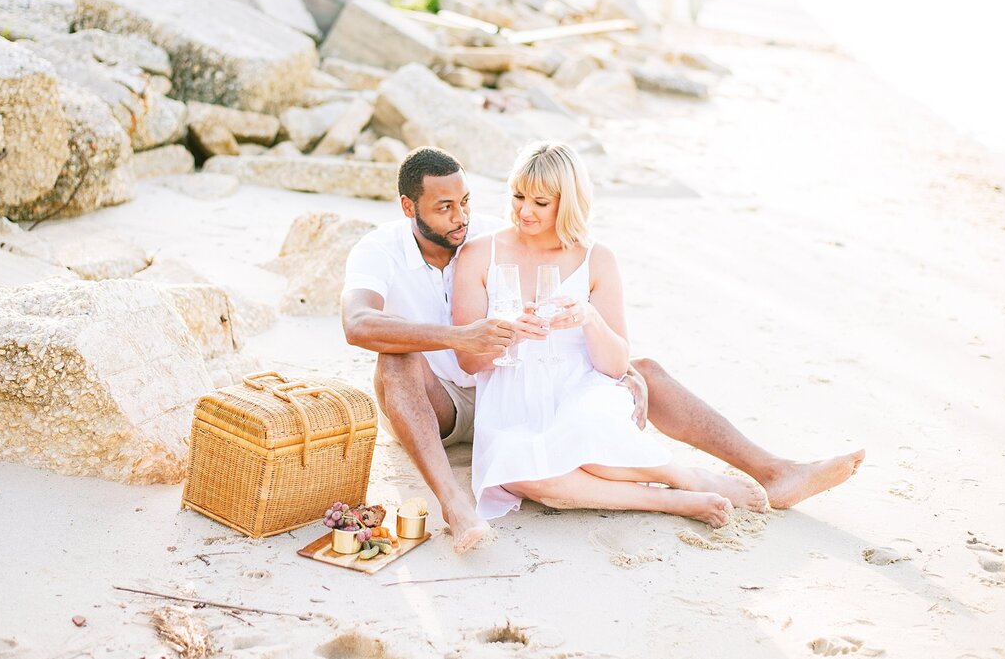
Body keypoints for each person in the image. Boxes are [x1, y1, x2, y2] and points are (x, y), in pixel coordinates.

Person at [341, 148, 863, 548]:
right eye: (445, 207)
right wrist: (465, 338)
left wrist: (618, 365)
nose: (460, 216)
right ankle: (454, 503)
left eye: (467, 203)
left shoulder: (481, 235)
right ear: (410, 207)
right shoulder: (383, 249)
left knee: (643, 370)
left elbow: (575, 303)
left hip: (530, 376)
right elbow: (360, 324)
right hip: (444, 402)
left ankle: (776, 472)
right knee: (397, 358)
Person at [454, 142, 769, 524]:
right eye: (519, 196)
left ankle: (682, 477)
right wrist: (513, 334)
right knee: (521, 472)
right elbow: (468, 360)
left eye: (540, 202)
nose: (524, 210)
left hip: (578, 387)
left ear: (566, 201)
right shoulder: (478, 254)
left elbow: (615, 364)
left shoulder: (596, 258)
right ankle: (674, 496)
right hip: (510, 399)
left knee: (586, 435)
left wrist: (590, 318)